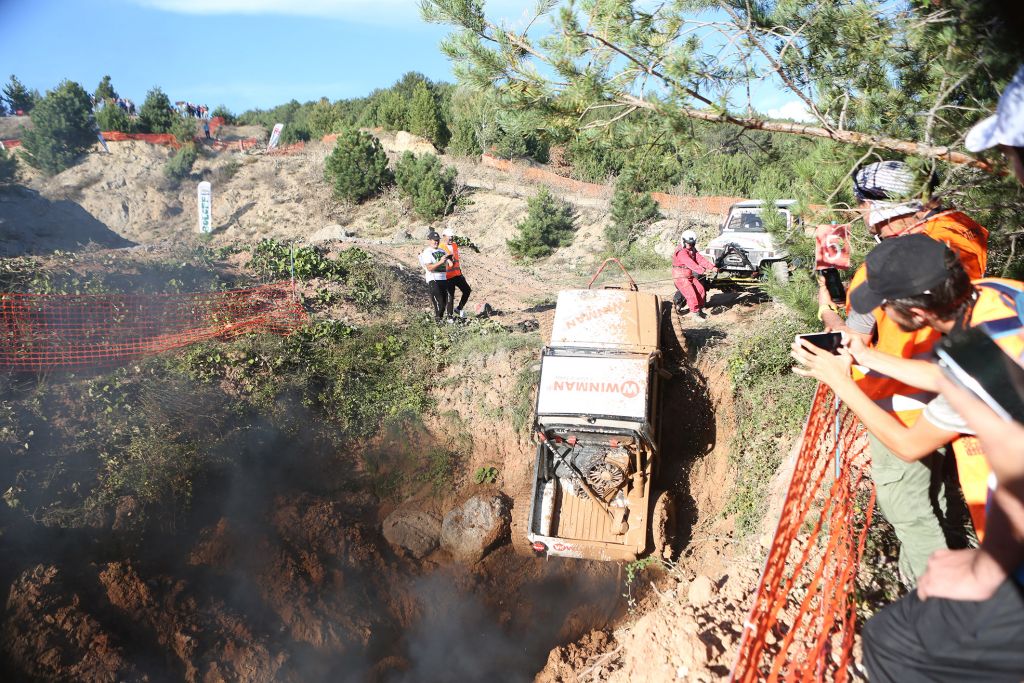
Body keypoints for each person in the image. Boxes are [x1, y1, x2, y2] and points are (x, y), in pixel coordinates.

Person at [859, 64, 1024, 682]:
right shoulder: (1002, 299)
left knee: (893, 645)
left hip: (1002, 540)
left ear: (918, 310)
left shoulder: (975, 356)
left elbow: (944, 432)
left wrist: (842, 381)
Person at [813, 160, 988, 584]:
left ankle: (937, 603)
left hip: (901, 402)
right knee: (940, 494)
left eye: (865, 208)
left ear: (886, 209)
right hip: (946, 389)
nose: (864, 219)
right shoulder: (960, 235)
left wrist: (829, 310)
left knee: (908, 508)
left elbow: (857, 326)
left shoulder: (899, 262)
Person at [672, 230, 718, 320]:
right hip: (680, 275)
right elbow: (690, 263)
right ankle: (695, 315)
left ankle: (699, 311)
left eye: (692, 244)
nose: (691, 245)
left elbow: (700, 259)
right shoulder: (681, 252)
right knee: (691, 294)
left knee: (700, 290)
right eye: (689, 244)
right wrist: (703, 271)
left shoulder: (692, 249)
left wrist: (712, 267)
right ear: (683, 241)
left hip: (688, 274)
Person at [418, 231, 451, 322]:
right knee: (439, 302)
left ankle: (439, 321)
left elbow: (448, 264)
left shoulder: (442, 251)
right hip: (433, 279)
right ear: (429, 240)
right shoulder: (427, 252)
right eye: (434, 240)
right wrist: (440, 261)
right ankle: (438, 323)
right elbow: (429, 267)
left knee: (444, 303)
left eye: (437, 240)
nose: (436, 242)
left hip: (443, 278)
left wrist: (448, 261)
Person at [441, 227, 472, 318]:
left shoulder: (454, 245)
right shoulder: (440, 247)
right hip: (448, 277)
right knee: (450, 297)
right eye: (449, 237)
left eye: (452, 236)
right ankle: (450, 317)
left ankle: (459, 309)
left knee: (467, 290)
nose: (451, 238)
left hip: (458, 274)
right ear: (444, 236)